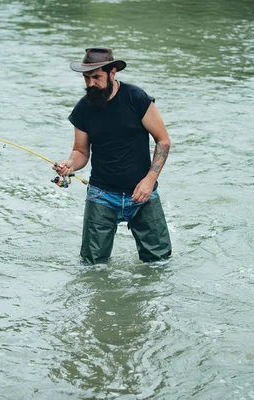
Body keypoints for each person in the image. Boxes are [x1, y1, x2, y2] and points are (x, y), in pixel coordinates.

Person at [54, 47, 172, 264]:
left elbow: (163, 141)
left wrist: (149, 180)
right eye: (87, 78)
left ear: (113, 72)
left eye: (97, 77)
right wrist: (70, 164)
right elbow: (80, 152)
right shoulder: (83, 109)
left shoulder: (137, 98)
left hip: (143, 194)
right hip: (102, 195)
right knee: (92, 266)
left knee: (159, 263)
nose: (91, 84)